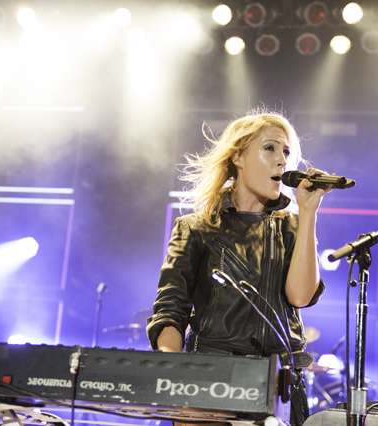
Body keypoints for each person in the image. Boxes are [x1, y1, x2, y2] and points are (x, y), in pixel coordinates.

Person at [146, 109, 333, 426]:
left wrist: (308, 214)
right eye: (270, 148)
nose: (282, 160)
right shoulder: (196, 227)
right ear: (238, 157)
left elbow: (300, 296)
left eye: (286, 152)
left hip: (279, 386)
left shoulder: (294, 225)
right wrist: (175, 381)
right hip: (211, 380)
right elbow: (170, 309)